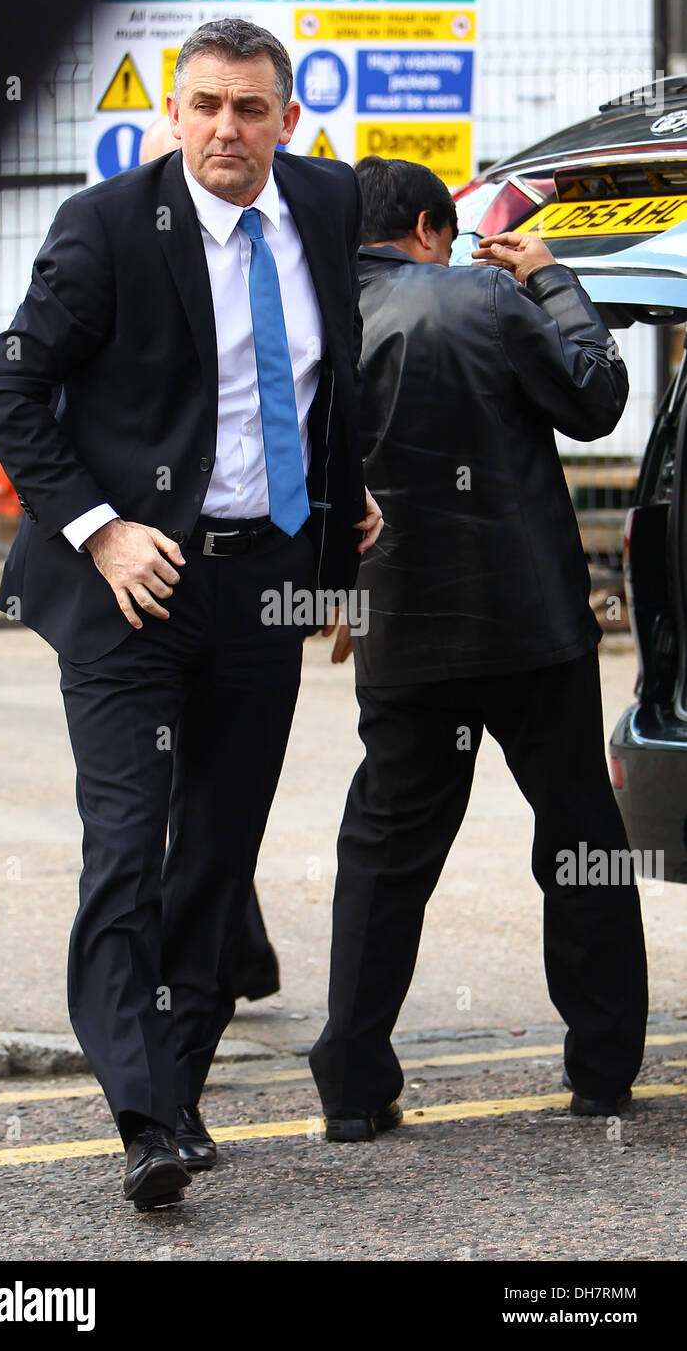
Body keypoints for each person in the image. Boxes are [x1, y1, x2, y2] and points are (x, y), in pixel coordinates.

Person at [0, 18, 382, 1209]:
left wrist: (344, 501)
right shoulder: (106, 228)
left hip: (262, 580)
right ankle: (145, 1117)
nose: (225, 129)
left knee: (216, 850)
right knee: (128, 847)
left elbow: (325, 374)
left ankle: (183, 1079)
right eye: (204, 105)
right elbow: (10, 385)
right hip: (127, 587)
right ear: (173, 112)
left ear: (287, 120)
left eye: (250, 109)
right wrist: (97, 526)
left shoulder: (324, 202)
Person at [310, 156, 648, 1141]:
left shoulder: (315, 314)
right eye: (448, 237)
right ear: (425, 225)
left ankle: (353, 1089)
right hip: (529, 623)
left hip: (399, 625)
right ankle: (600, 1073)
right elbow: (593, 400)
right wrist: (548, 277)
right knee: (578, 833)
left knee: (386, 846)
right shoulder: (480, 295)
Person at [138, 109, 281, 1007]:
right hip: (138, 567)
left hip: (242, 564)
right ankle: (217, 960)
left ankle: (233, 952)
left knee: (215, 784)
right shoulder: (115, 257)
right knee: (155, 792)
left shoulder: (256, 259)